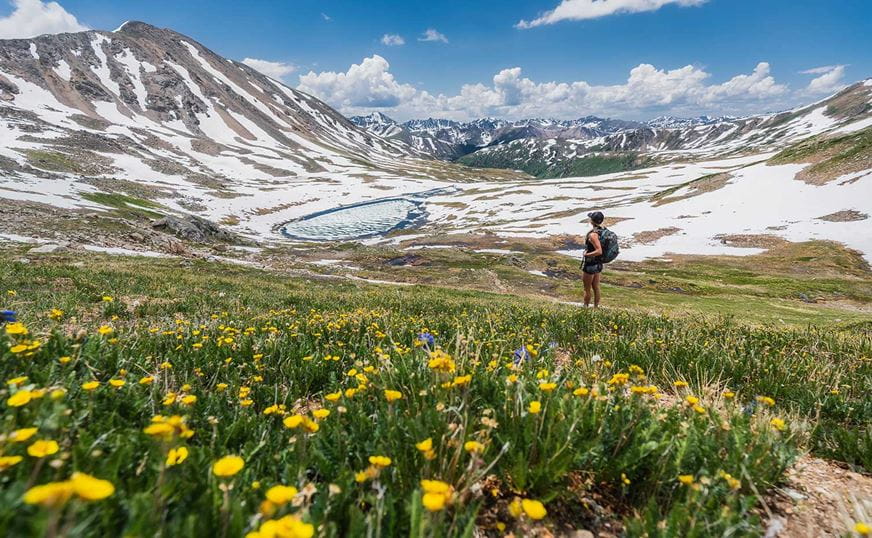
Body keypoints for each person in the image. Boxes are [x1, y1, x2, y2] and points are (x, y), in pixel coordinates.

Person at [582, 211, 605, 308]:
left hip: (591, 264)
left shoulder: (593, 235)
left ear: (592, 221)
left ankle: (585, 307)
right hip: (598, 263)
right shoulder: (603, 231)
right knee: (596, 287)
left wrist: (587, 254)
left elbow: (599, 251)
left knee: (587, 288)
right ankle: (596, 307)